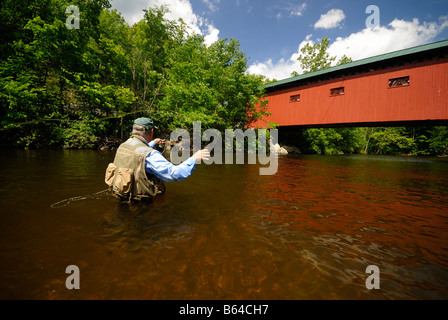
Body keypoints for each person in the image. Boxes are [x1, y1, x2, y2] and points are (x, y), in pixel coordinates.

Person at [105, 117, 210, 202]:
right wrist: (193, 158)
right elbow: (174, 174)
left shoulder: (124, 145)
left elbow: (139, 151)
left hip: (120, 195)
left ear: (134, 130)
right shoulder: (151, 155)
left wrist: (153, 142)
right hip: (140, 204)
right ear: (151, 131)